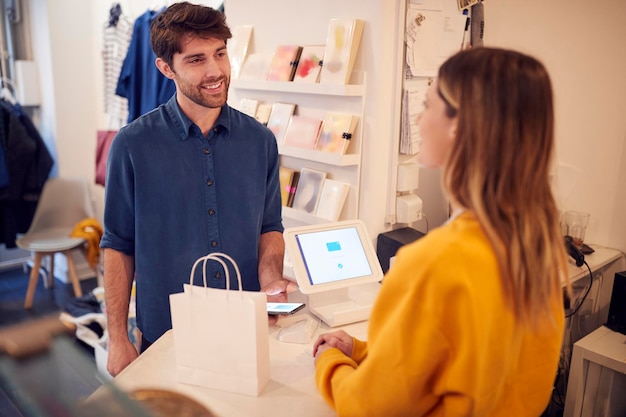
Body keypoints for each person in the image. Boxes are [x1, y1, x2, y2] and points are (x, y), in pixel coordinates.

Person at [313, 47, 569, 416]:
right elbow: (466, 368)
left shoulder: (435, 262)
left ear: (458, 124)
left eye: (429, 104)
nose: (418, 119)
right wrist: (364, 350)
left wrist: (330, 361)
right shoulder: (536, 245)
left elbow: (366, 408)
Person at [100, 2, 292, 377]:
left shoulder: (261, 141)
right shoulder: (132, 145)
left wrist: (271, 282)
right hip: (164, 336)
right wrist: (118, 337)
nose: (215, 71)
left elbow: (270, 227)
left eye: (220, 53)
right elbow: (118, 244)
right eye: (196, 59)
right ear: (166, 68)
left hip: (244, 329)